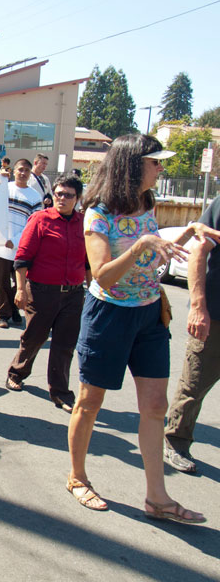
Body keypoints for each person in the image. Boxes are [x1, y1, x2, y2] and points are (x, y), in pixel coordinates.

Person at [66, 134, 217, 524]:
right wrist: (139, 246)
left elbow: (152, 248)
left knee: (155, 407)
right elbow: (103, 275)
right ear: (132, 165)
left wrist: (186, 233)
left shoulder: (147, 201)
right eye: (156, 162)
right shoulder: (97, 213)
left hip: (150, 315)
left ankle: (158, 498)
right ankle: (77, 477)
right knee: (90, 402)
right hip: (109, 316)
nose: (161, 168)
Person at [6, 174, 89, 409]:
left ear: (77, 198)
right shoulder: (40, 219)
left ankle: (61, 392)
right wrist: (20, 290)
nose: (62, 198)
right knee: (35, 337)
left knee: (65, 343)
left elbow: (88, 261)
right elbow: (22, 258)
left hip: (73, 293)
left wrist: (92, 287)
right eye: (58, 193)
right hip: (42, 292)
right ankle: (16, 373)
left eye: (68, 195)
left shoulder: (84, 222)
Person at [164, 195, 220, 473]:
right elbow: (199, 251)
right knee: (194, 383)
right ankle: (176, 441)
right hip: (216, 315)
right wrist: (199, 307)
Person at [0, 159, 42, 328]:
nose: (23, 173)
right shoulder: (4, 188)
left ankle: (13, 308)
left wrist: (17, 240)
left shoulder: (35, 196)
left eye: (26, 170)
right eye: (20, 169)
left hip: (21, 247)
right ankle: (3, 314)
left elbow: (35, 223)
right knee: (0, 282)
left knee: (20, 284)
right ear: (14, 170)